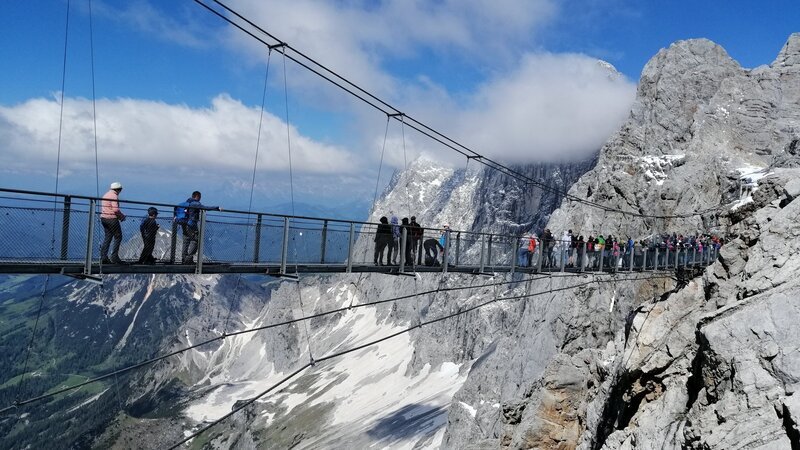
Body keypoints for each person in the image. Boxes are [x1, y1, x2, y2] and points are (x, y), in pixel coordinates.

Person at [175, 191, 221, 264]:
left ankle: (184, 258)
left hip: (184, 223)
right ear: (197, 196)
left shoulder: (187, 202)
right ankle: (189, 259)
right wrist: (216, 208)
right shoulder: (195, 203)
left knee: (186, 241)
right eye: (200, 197)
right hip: (191, 224)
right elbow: (205, 207)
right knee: (195, 241)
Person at [100, 181, 126, 264]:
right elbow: (115, 209)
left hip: (104, 218)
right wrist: (121, 216)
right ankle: (114, 257)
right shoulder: (114, 196)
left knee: (108, 237)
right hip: (112, 219)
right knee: (118, 236)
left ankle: (103, 257)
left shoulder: (106, 195)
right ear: (118, 189)